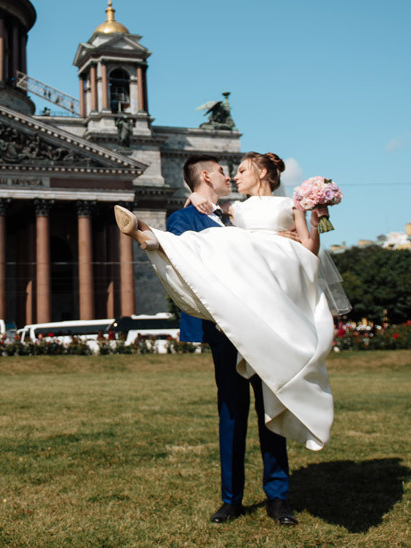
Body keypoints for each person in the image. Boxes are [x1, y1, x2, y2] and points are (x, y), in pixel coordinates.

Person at [116, 152, 338, 526]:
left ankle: (278, 497)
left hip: (268, 325)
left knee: (272, 405)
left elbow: (286, 248)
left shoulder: (240, 212)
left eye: (236, 170)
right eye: (224, 171)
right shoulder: (185, 217)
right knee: (232, 415)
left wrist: (293, 232)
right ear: (206, 176)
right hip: (224, 331)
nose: (230, 176)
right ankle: (231, 499)